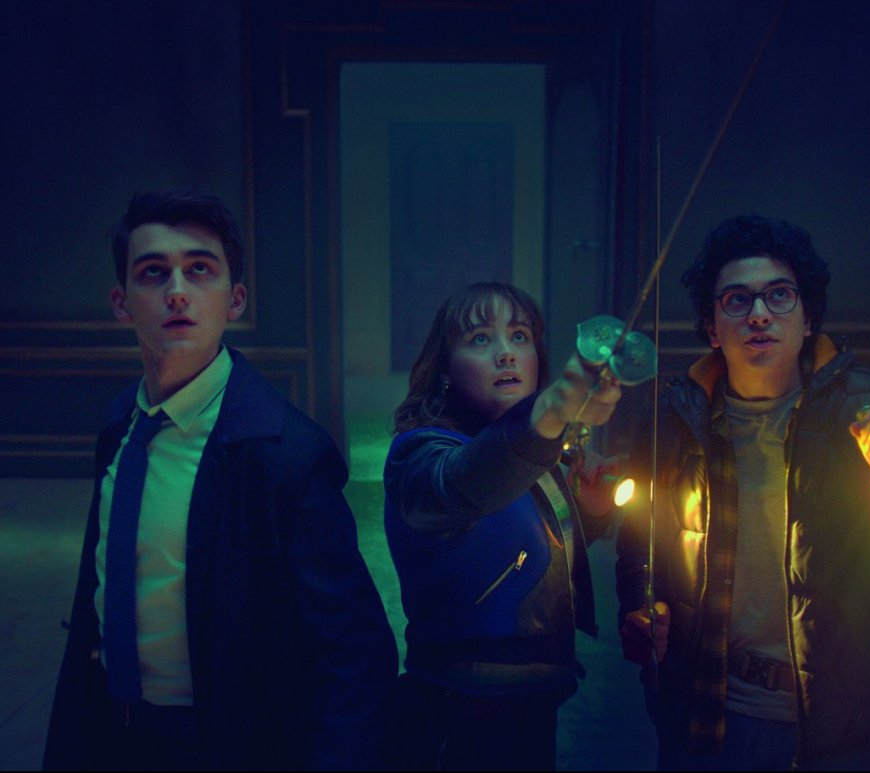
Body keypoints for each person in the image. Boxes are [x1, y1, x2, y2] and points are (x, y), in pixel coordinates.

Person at [615, 214, 870, 770]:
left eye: (779, 295)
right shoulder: (675, 420)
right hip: (704, 711)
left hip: (839, 722)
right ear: (712, 327)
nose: (759, 314)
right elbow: (638, 543)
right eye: (737, 300)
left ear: (808, 315)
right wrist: (640, 610)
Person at [43, 188, 397, 771]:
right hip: (111, 732)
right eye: (153, 272)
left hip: (218, 742)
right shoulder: (121, 424)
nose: (177, 291)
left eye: (199, 269)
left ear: (235, 300)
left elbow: (355, 657)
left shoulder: (289, 455)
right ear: (121, 304)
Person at [381, 281, 623, 770]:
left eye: (519, 336)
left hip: (534, 702)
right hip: (457, 712)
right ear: (445, 371)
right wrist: (549, 413)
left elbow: (516, 544)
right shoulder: (421, 452)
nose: (506, 353)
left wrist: (591, 512)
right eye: (480, 339)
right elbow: (466, 484)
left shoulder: (534, 450)